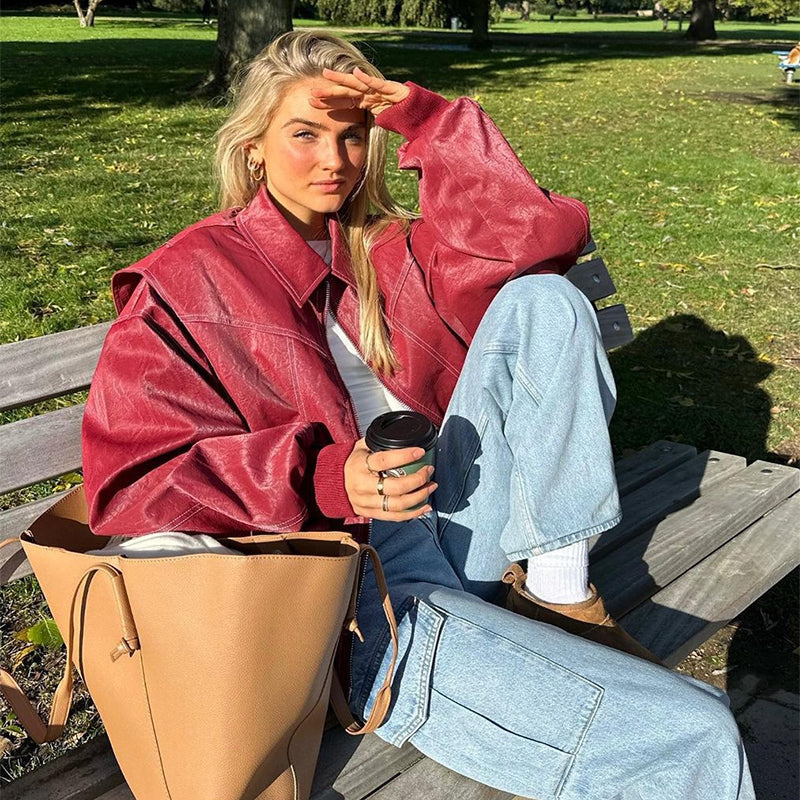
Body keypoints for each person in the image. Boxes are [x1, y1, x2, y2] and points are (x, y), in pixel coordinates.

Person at [81, 30, 755, 800]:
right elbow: (134, 481)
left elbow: (541, 238)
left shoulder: (390, 249)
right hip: (355, 605)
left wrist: (428, 122)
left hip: (460, 518)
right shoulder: (188, 280)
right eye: (303, 133)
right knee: (695, 732)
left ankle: (561, 592)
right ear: (255, 146)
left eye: (352, 133)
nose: (334, 159)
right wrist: (328, 477)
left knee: (546, 300)